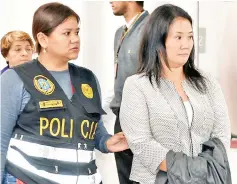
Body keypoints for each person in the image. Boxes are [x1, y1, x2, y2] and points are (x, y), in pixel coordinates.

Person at [1, 2, 128, 184]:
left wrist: (106, 142)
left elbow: (92, 127)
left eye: (77, 32)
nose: (75, 39)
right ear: (43, 39)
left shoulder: (88, 79)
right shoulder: (15, 79)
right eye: (67, 33)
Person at [120, 4, 231, 184]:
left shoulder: (207, 82)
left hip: (207, 180)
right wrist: (190, 171)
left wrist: (201, 172)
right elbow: (141, 142)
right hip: (158, 179)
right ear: (158, 40)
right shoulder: (137, 86)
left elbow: (222, 134)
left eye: (190, 37)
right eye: (178, 37)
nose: (185, 44)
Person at [109, 1, 149, 183]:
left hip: (143, 117)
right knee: (125, 176)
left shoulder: (150, 29)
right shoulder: (120, 33)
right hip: (121, 115)